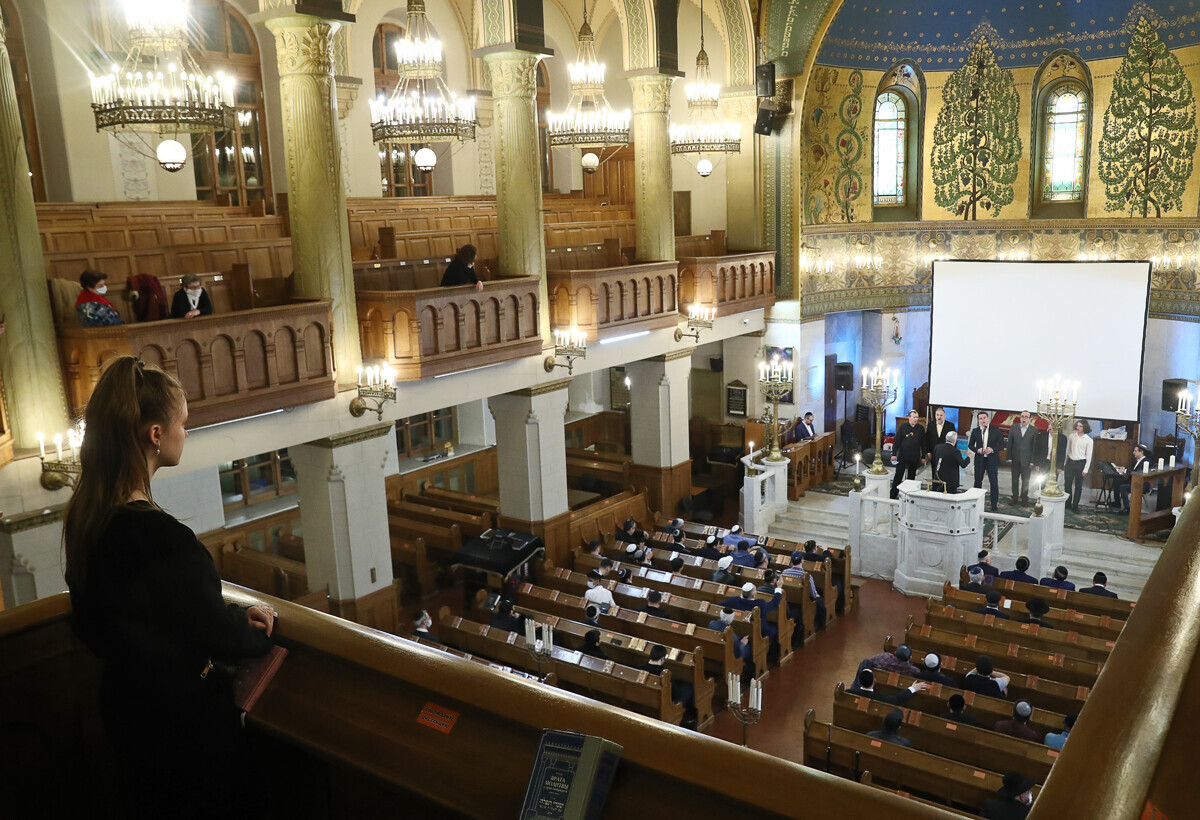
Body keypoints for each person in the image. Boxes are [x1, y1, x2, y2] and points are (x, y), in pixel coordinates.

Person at [65, 356, 275, 817]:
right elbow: (214, 631)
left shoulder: (88, 519)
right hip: (182, 724)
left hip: (125, 707)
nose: (186, 431)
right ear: (154, 435)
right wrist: (253, 629)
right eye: (182, 422)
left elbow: (92, 625)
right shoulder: (160, 537)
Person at [722, 581, 782, 647]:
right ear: (754, 595)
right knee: (775, 629)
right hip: (759, 633)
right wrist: (779, 587)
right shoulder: (760, 604)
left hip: (738, 631)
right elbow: (774, 604)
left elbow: (719, 605)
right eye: (755, 591)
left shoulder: (733, 600)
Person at [642, 644, 694, 714]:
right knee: (689, 687)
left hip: (645, 701)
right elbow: (675, 693)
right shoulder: (665, 675)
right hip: (665, 704)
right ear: (663, 658)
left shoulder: (639, 668)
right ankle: (690, 715)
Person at [782, 553, 827, 632]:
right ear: (802, 561)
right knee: (821, 602)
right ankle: (820, 624)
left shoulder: (784, 573)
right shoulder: (807, 577)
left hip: (788, 601)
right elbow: (814, 594)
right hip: (804, 603)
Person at [970, 411, 1004, 511]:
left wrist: (992, 449)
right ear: (978, 420)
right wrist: (977, 450)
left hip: (992, 460)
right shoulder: (975, 431)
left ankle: (994, 504)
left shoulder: (995, 430)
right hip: (980, 460)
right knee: (977, 481)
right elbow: (970, 445)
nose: (983, 420)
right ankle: (975, 501)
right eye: (980, 418)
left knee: (993, 482)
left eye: (984, 418)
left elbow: (1002, 445)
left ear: (988, 418)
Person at [890, 409, 927, 499]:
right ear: (909, 418)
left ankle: (908, 496)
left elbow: (923, 444)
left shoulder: (920, 429)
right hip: (902, 456)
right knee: (898, 476)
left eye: (917, 417)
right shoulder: (903, 427)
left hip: (914, 457)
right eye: (914, 417)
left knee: (911, 478)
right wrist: (894, 454)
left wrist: (923, 456)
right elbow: (897, 441)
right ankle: (893, 494)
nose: (916, 419)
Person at [1008, 410, 1039, 505]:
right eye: (1022, 416)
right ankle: (1015, 497)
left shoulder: (1034, 430)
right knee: (1014, 480)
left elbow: (1034, 447)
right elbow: (1010, 444)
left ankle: (1024, 497)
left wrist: (1032, 461)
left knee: (1026, 480)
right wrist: (1009, 458)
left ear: (1030, 419)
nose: (1024, 418)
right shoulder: (1014, 428)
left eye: (1026, 417)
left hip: (1027, 461)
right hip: (1015, 459)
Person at [1062, 419, 1093, 512]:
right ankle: (1068, 502)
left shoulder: (1089, 440)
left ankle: (1075, 505)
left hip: (1080, 463)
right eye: (1077, 426)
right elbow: (1068, 449)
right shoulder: (1072, 436)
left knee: (1078, 486)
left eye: (1080, 426)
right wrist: (1065, 463)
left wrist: (1086, 469)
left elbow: (1089, 456)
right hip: (1070, 462)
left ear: (1084, 427)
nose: (1078, 428)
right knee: (1067, 484)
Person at [847, 669, 928, 704]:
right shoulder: (881, 698)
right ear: (874, 681)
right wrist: (913, 688)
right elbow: (897, 699)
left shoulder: (848, 693)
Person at [1115, 444, 1151, 513]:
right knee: (1117, 481)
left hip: (1141, 484)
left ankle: (1127, 508)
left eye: (1135, 451)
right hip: (1134, 481)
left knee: (1123, 487)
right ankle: (1117, 502)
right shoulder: (1140, 460)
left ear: (1141, 452)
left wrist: (1125, 471)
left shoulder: (1146, 462)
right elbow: (1134, 470)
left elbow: (1138, 472)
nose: (1133, 452)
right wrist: (1124, 468)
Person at [857, 644, 921, 678]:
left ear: (895, 652)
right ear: (910, 658)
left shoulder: (883, 657)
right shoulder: (913, 671)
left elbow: (870, 661)